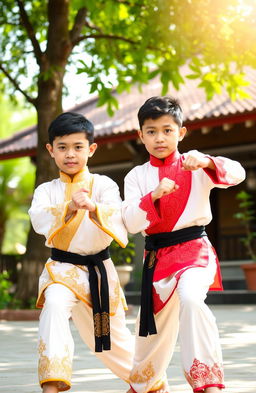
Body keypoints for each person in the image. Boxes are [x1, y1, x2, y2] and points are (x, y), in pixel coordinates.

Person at [122, 96, 246, 393]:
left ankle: (207, 381)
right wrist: (151, 197)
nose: (159, 137)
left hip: (194, 250)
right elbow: (130, 223)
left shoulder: (196, 163)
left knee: (191, 298)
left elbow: (238, 173)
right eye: (151, 131)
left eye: (167, 129)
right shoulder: (136, 176)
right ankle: (146, 384)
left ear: (181, 132)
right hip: (156, 259)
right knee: (149, 328)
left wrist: (207, 161)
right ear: (140, 136)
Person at [28, 112, 134, 393]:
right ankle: (52, 384)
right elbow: (38, 218)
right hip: (62, 270)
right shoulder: (46, 190)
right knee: (54, 306)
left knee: (114, 339)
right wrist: (68, 208)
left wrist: (94, 207)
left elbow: (118, 215)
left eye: (78, 147)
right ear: (51, 150)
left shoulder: (105, 185)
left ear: (91, 148)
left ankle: (149, 383)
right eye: (62, 147)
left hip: (99, 272)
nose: (70, 154)